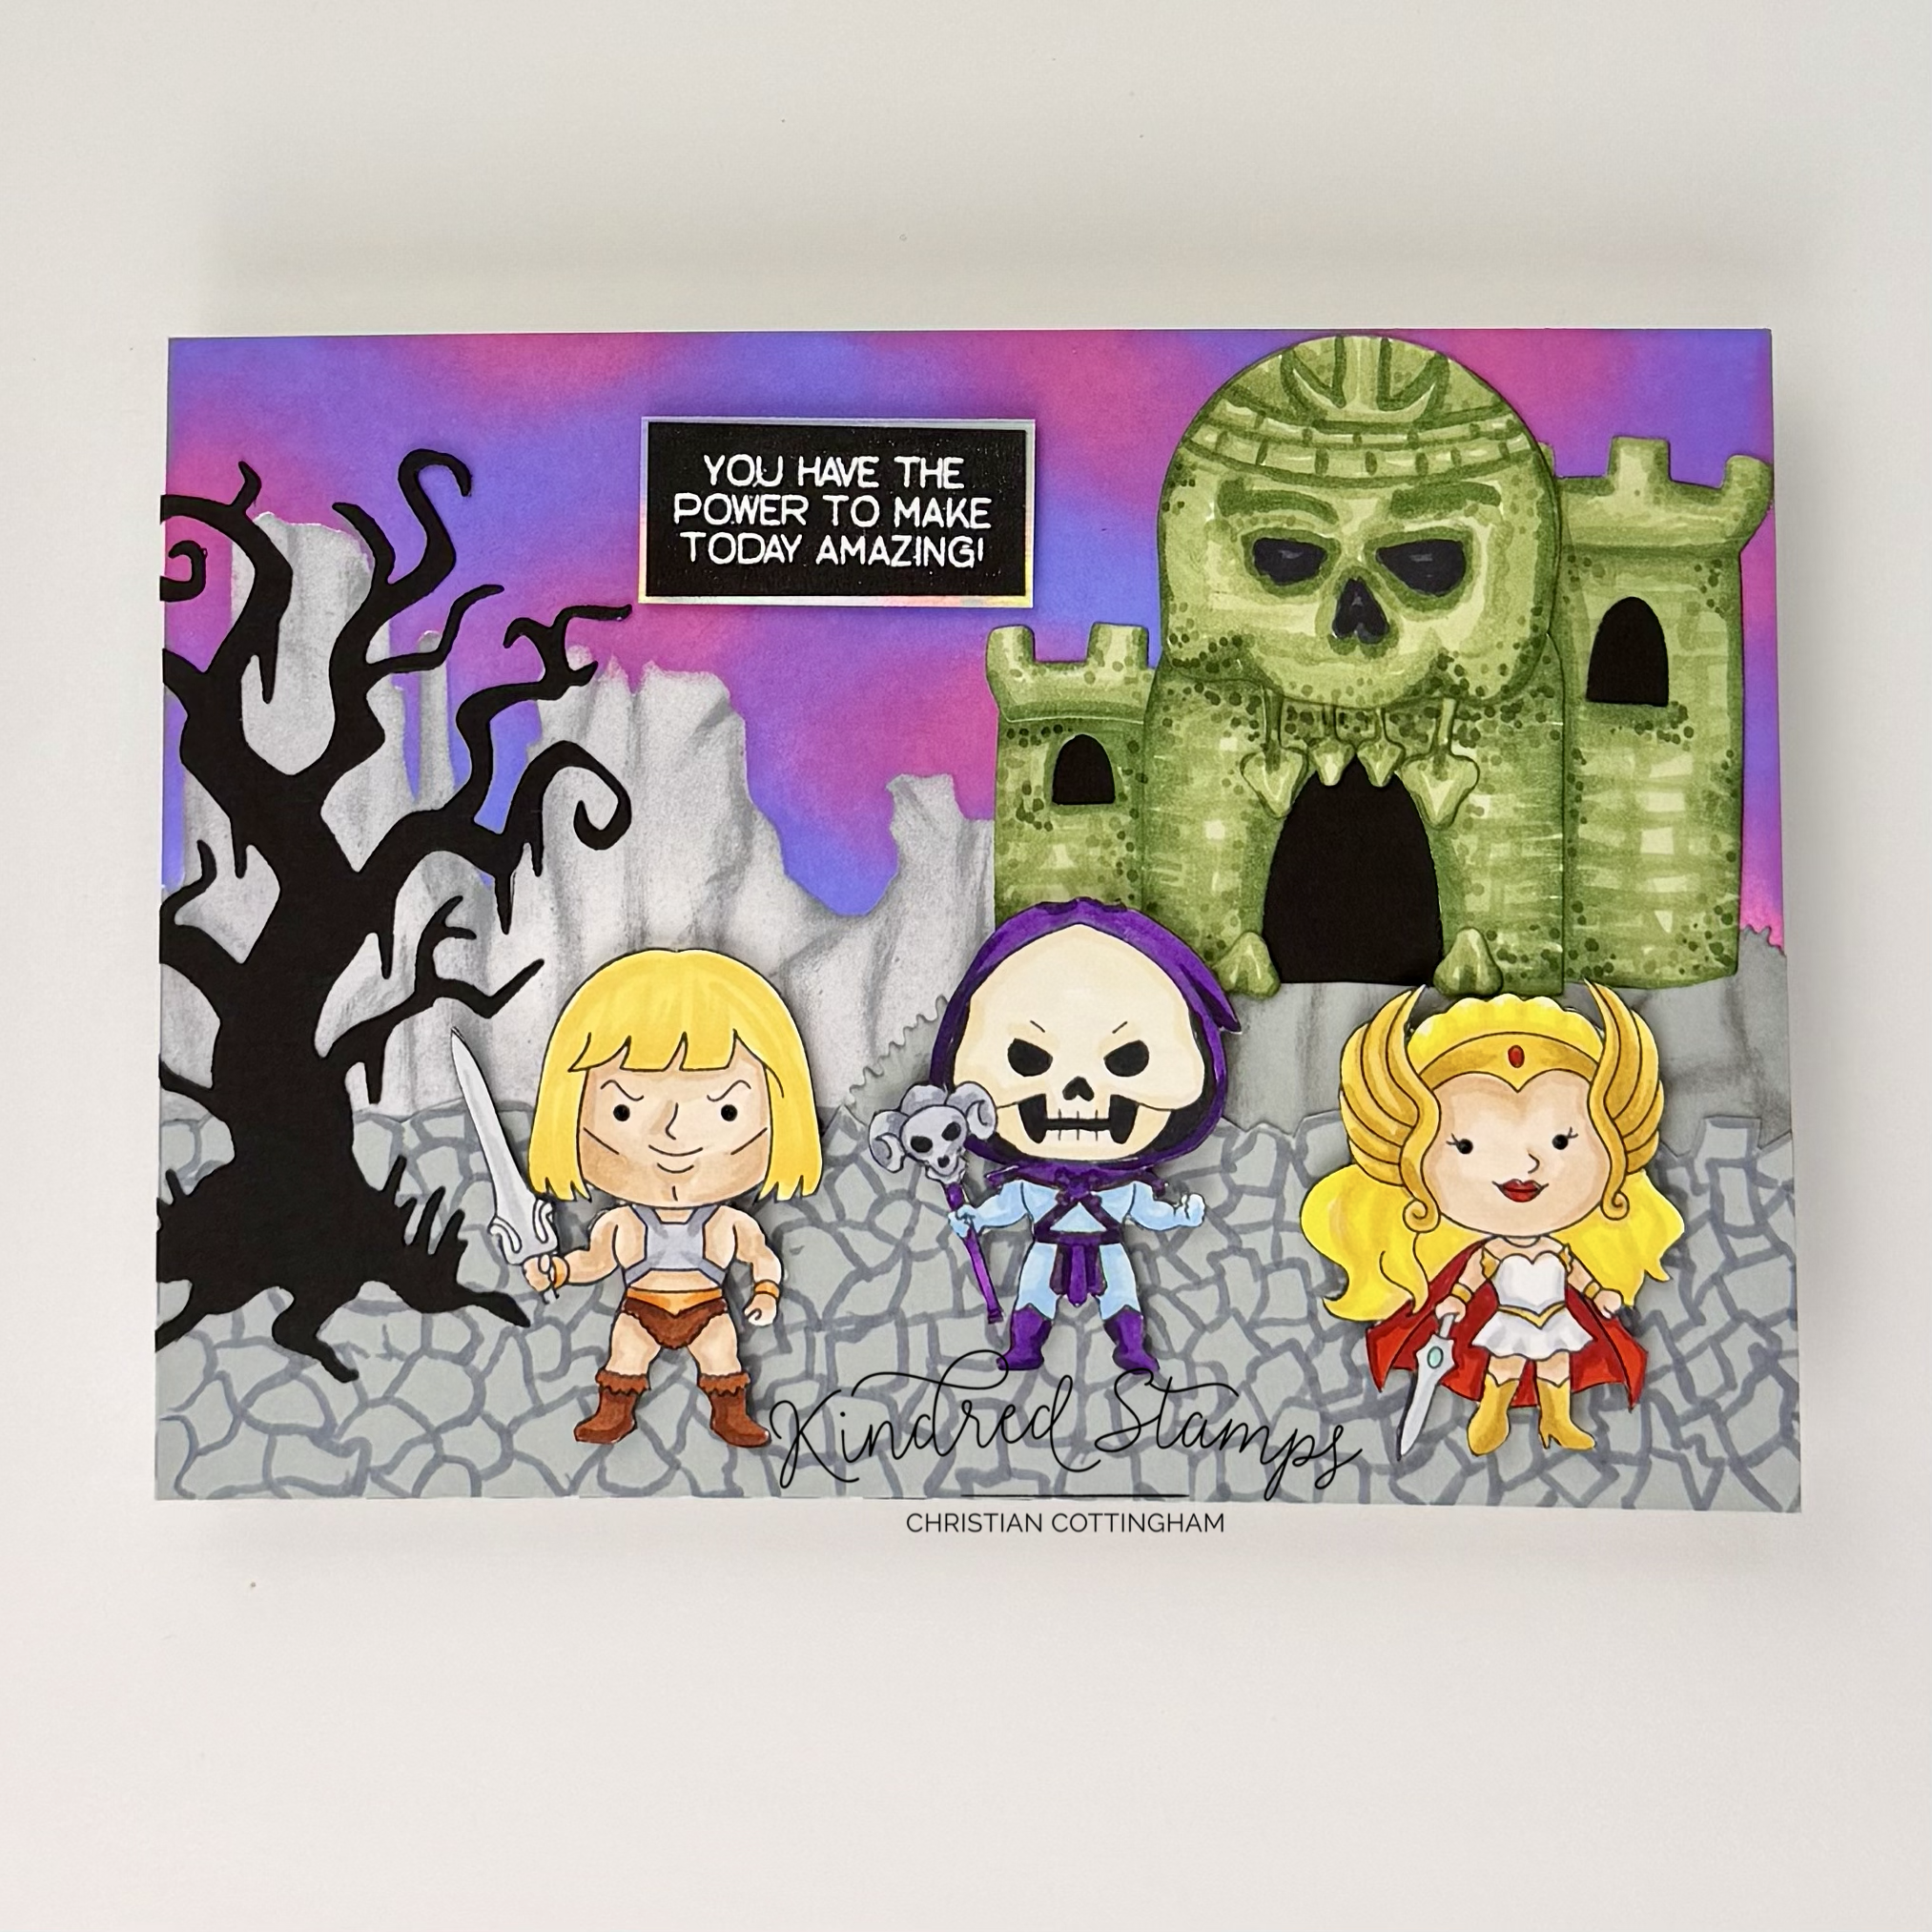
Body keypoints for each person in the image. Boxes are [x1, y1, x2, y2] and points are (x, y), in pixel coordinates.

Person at [1302, 985, 1681, 1455]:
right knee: (1504, 1365)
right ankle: (1491, 1415)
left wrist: (1598, 1292)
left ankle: (1558, 1419)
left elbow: (1578, 1275)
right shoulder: (1494, 1250)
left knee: (1556, 1365)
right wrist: (1456, 1300)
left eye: (1562, 1141)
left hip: (1555, 1317)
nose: (1525, 1167)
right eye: (1467, 1145)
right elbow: (1471, 1276)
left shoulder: (1558, 1248)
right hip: (1511, 1319)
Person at [523, 949, 821, 1449]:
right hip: (640, 1307)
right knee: (626, 1353)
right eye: (622, 1110)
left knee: (722, 1355)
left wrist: (766, 1291)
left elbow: (760, 1256)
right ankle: (614, 1412)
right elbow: (594, 1262)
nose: (673, 1136)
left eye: (726, 1111)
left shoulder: (727, 1224)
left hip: (708, 1308)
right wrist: (558, 1271)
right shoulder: (622, 1224)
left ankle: (731, 1414)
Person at [932, 899, 1237, 1376]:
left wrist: (1179, 1215)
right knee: (1034, 1291)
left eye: (1128, 1058)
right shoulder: (1033, 1185)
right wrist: (977, 1216)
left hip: (1108, 1246)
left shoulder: (1124, 1188)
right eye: (1028, 1058)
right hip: (1046, 1244)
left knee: (1122, 1292)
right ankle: (1025, 1344)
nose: (1077, 1093)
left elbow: (1148, 1212)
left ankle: (1131, 1345)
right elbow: (1006, 1207)